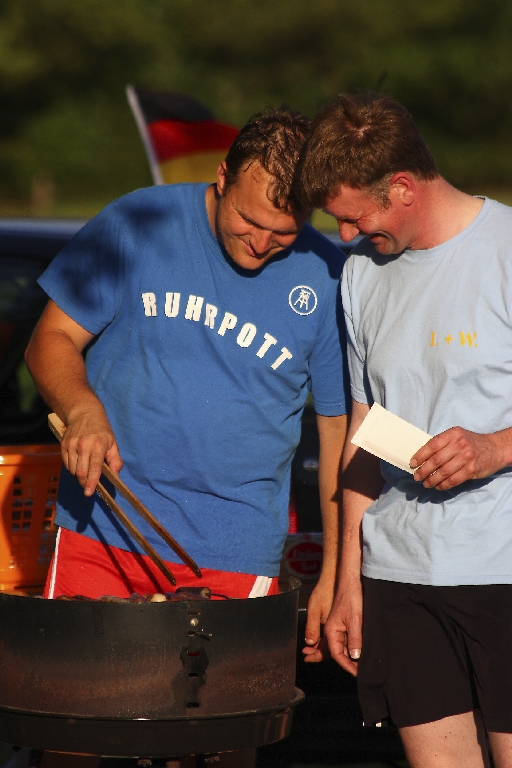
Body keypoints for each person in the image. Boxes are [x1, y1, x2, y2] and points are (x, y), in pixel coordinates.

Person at [25, 107, 348, 642]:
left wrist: (335, 575)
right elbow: (50, 338)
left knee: (216, 698)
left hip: (235, 552)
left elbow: (338, 435)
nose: (261, 243)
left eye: (284, 232)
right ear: (222, 177)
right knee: (77, 689)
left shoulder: (329, 276)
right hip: (101, 529)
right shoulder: (139, 222)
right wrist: (81, 409)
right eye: (249, 220)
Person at [298, 92, 512, 768]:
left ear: (402, 188)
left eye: (354, 217)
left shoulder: (504, 250)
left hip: (501, 572)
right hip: (399, 578)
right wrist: (349, 583)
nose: (345, 237)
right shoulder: (362, 275)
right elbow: (366, 433)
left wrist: (495, 448)